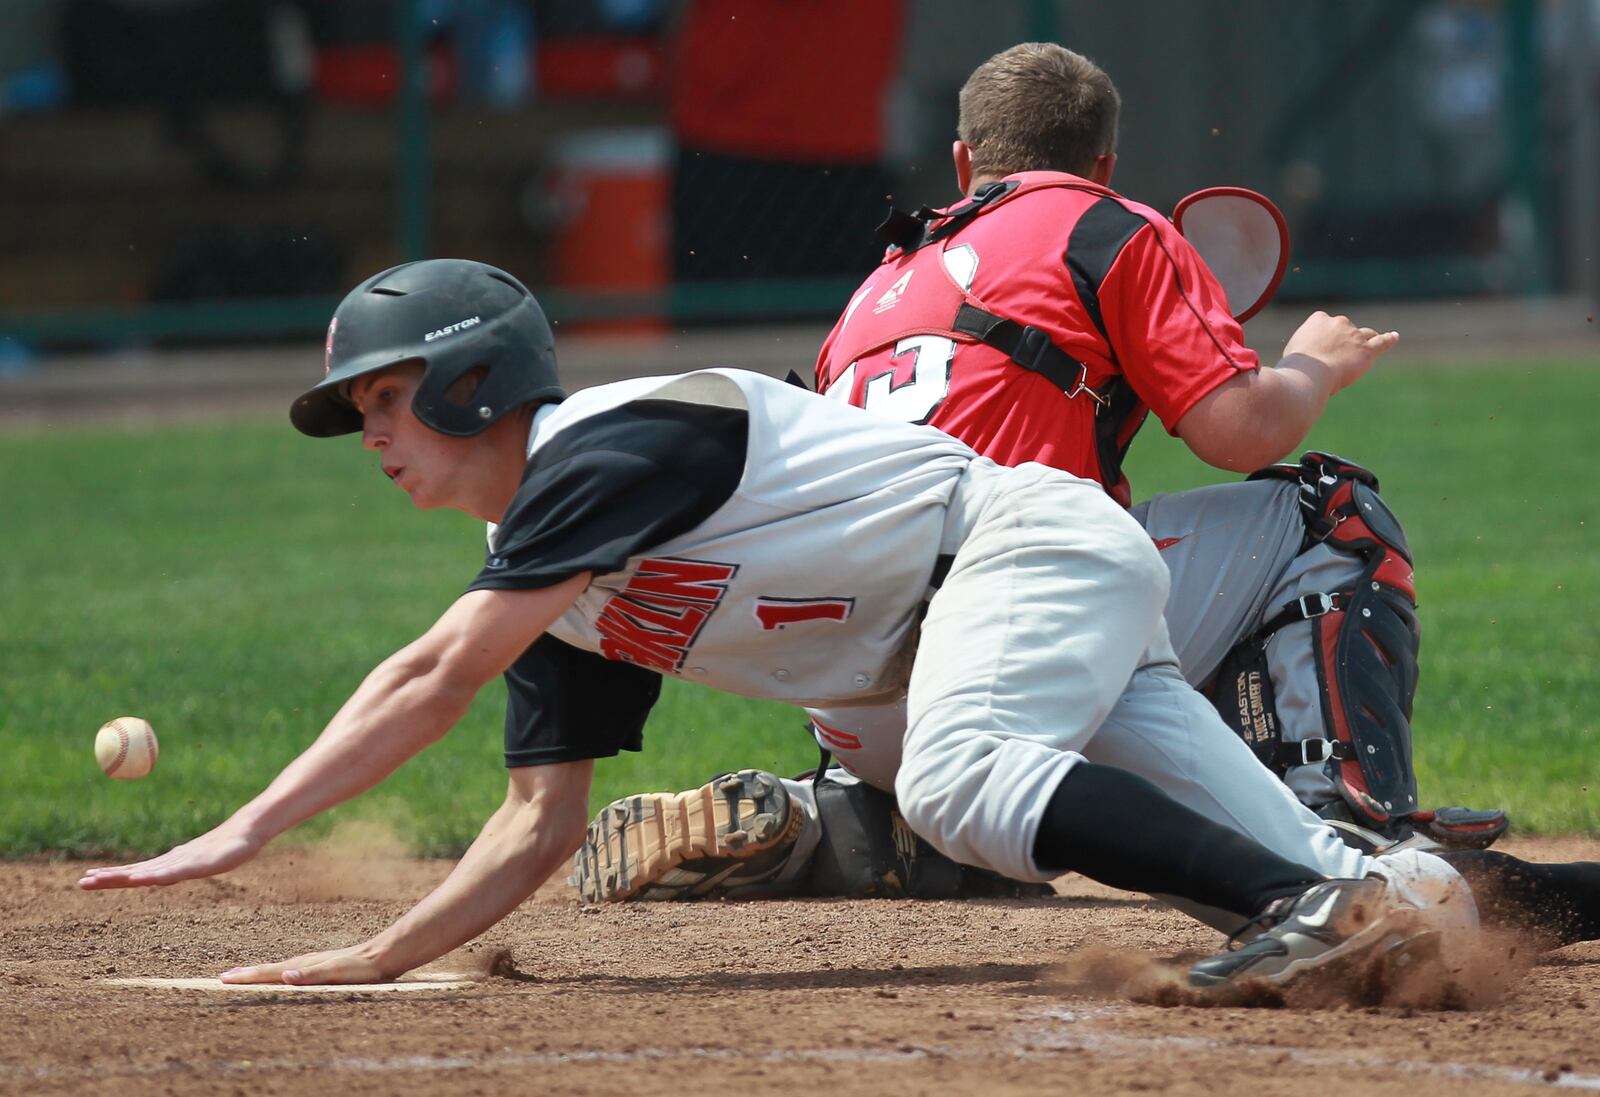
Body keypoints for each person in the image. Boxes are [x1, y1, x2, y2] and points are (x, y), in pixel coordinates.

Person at [74, 257, 1541, 993]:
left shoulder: (607, 441)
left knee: (958, 782)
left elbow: (436, 673)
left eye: (387, 401)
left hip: (1019, 553)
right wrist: (373, 958)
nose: (375, 436)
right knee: (1369, 913)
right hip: (1002, 609)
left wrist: (246, 830)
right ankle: (1411, 899)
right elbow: (533, 826)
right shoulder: (558, 572)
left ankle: (1294, 904)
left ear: (472, 385)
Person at [577, 42, 1508, 906]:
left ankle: (850, 818)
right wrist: (1312, 365)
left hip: (857, 701)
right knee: (1328, 512)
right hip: (1025, 629)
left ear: (961, 161)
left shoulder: (871, 294)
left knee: (1001, 699)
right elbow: (1237, 432)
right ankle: (1348, 814)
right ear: (1102, 165)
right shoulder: (1105, 226)